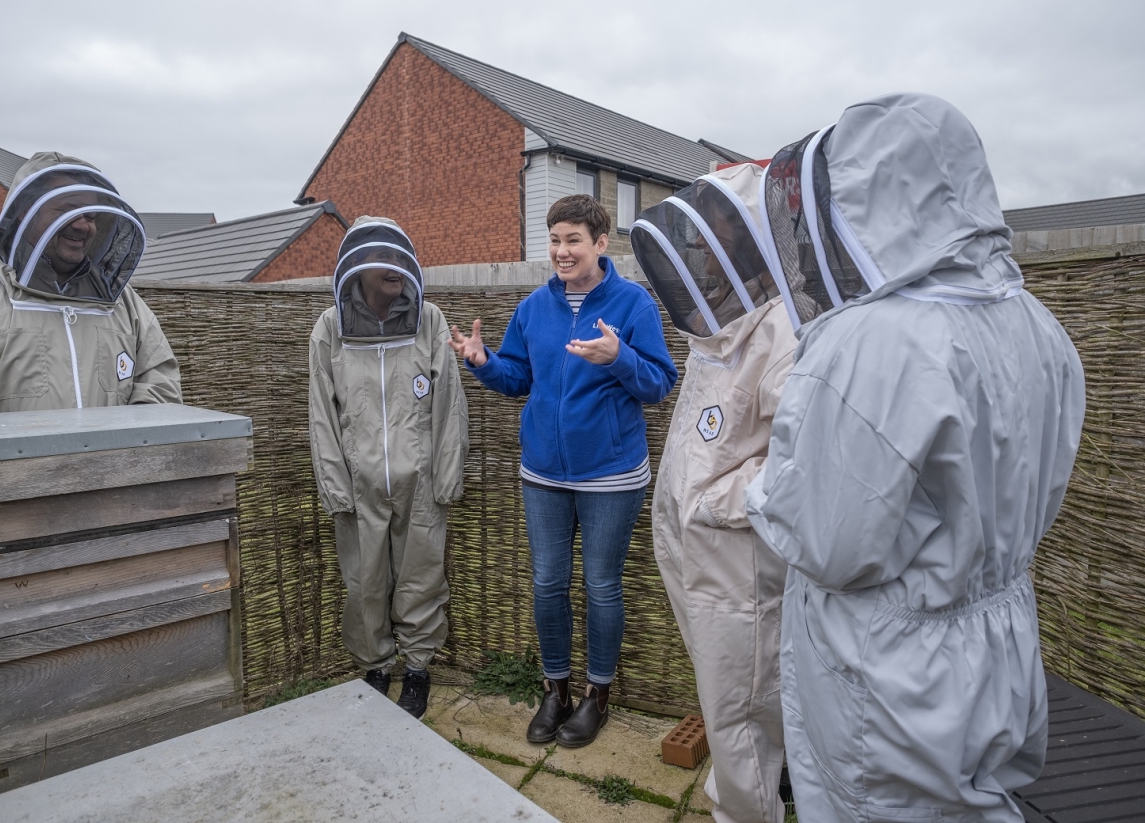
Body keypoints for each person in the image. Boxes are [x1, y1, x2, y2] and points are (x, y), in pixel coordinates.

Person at [745, 93, 1085, 822]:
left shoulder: (871, 342)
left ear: (866, 204)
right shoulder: (1034, 321)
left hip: (890, 668)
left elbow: (825, 542)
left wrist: (755, 493)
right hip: (999, 635)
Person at [0, 152, 182, 821]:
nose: (83, 223)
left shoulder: (120, 302)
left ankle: (65, 775)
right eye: (64, 206)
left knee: (85, 649)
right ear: (23, 212)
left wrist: (124, 478)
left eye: (92, 210)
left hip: (100, 523)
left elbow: (159, 381)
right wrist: (11, 482)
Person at [450, 194, 678, 748]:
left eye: (573, 239)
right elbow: (517, 378)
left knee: (602, 587)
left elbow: (659, 384)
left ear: (601, 244)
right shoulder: (533, 309)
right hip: (544, 474)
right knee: (548, 583)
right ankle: (556, 690)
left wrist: (618, 358)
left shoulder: (633, 305)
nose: (561, 250)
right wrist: (483, 363)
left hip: (611, 476)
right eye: (554, 239)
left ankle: (597, 695)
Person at [630, 161, 795, 823]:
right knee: (733, 698)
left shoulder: (784, 333)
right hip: (701, 560)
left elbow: (801, 464)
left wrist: (711, 504)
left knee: (739, 708)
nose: (712, 246)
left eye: (728, 229)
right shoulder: (717, 330)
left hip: (739, 569)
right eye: (711, 232)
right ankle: (756, 788)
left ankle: (747, 808)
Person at [308, 216, 469, 718]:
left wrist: (446, 475)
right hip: (359, 487)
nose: (395, 268)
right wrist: (336, 486)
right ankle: (375, 668)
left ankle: (417, 670)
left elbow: (449, 404)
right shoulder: (331, 329)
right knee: (364, 582)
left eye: (402, 259)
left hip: (419, 484)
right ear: (356, 268)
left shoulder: (430, 321)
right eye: (385, 261)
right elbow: (321, 414)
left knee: (422, 578)